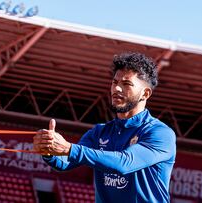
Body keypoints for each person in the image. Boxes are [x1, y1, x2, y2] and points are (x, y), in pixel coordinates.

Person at [33, 52, 177, 203]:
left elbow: (124, 163)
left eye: (126, 84)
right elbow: (65, 162)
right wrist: (48, 150)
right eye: (115, 82)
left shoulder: (160, 133)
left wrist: (69, 148)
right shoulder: (100, 132)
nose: (117, 89)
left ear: (145, 93)